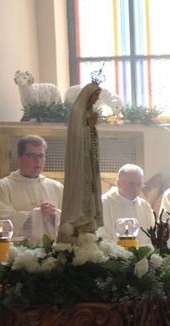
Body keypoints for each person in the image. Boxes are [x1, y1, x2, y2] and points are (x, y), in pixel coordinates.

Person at [0, 135, 63, 245]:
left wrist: (54, 215)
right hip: (18, 254)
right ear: (19, 156)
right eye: (32, 156)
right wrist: (37, 214)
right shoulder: (2, 187)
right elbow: (2, 222)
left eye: (41, 156)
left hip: (53, 253)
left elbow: (70, 223)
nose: (38, 161)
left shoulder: (57, 187)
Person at [58, 80, 104, 243]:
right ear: (88, 95)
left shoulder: (88, 111)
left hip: (88, 161)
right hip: (79, 161)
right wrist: (89, 125)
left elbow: (89, 135)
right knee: (80, 189)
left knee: (90, 189)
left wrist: (91, 126)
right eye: (96, 95)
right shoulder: (78, 111)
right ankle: (78, 222)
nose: (97, 98)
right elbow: (77, 136)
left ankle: (88, 224)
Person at [97, 164, 155, 246]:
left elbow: (152, 237)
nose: (136, 189)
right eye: (131, 184)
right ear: (118, 183)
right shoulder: (102, 204)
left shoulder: (145, 206)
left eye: (139, 184)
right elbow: (100, 237)